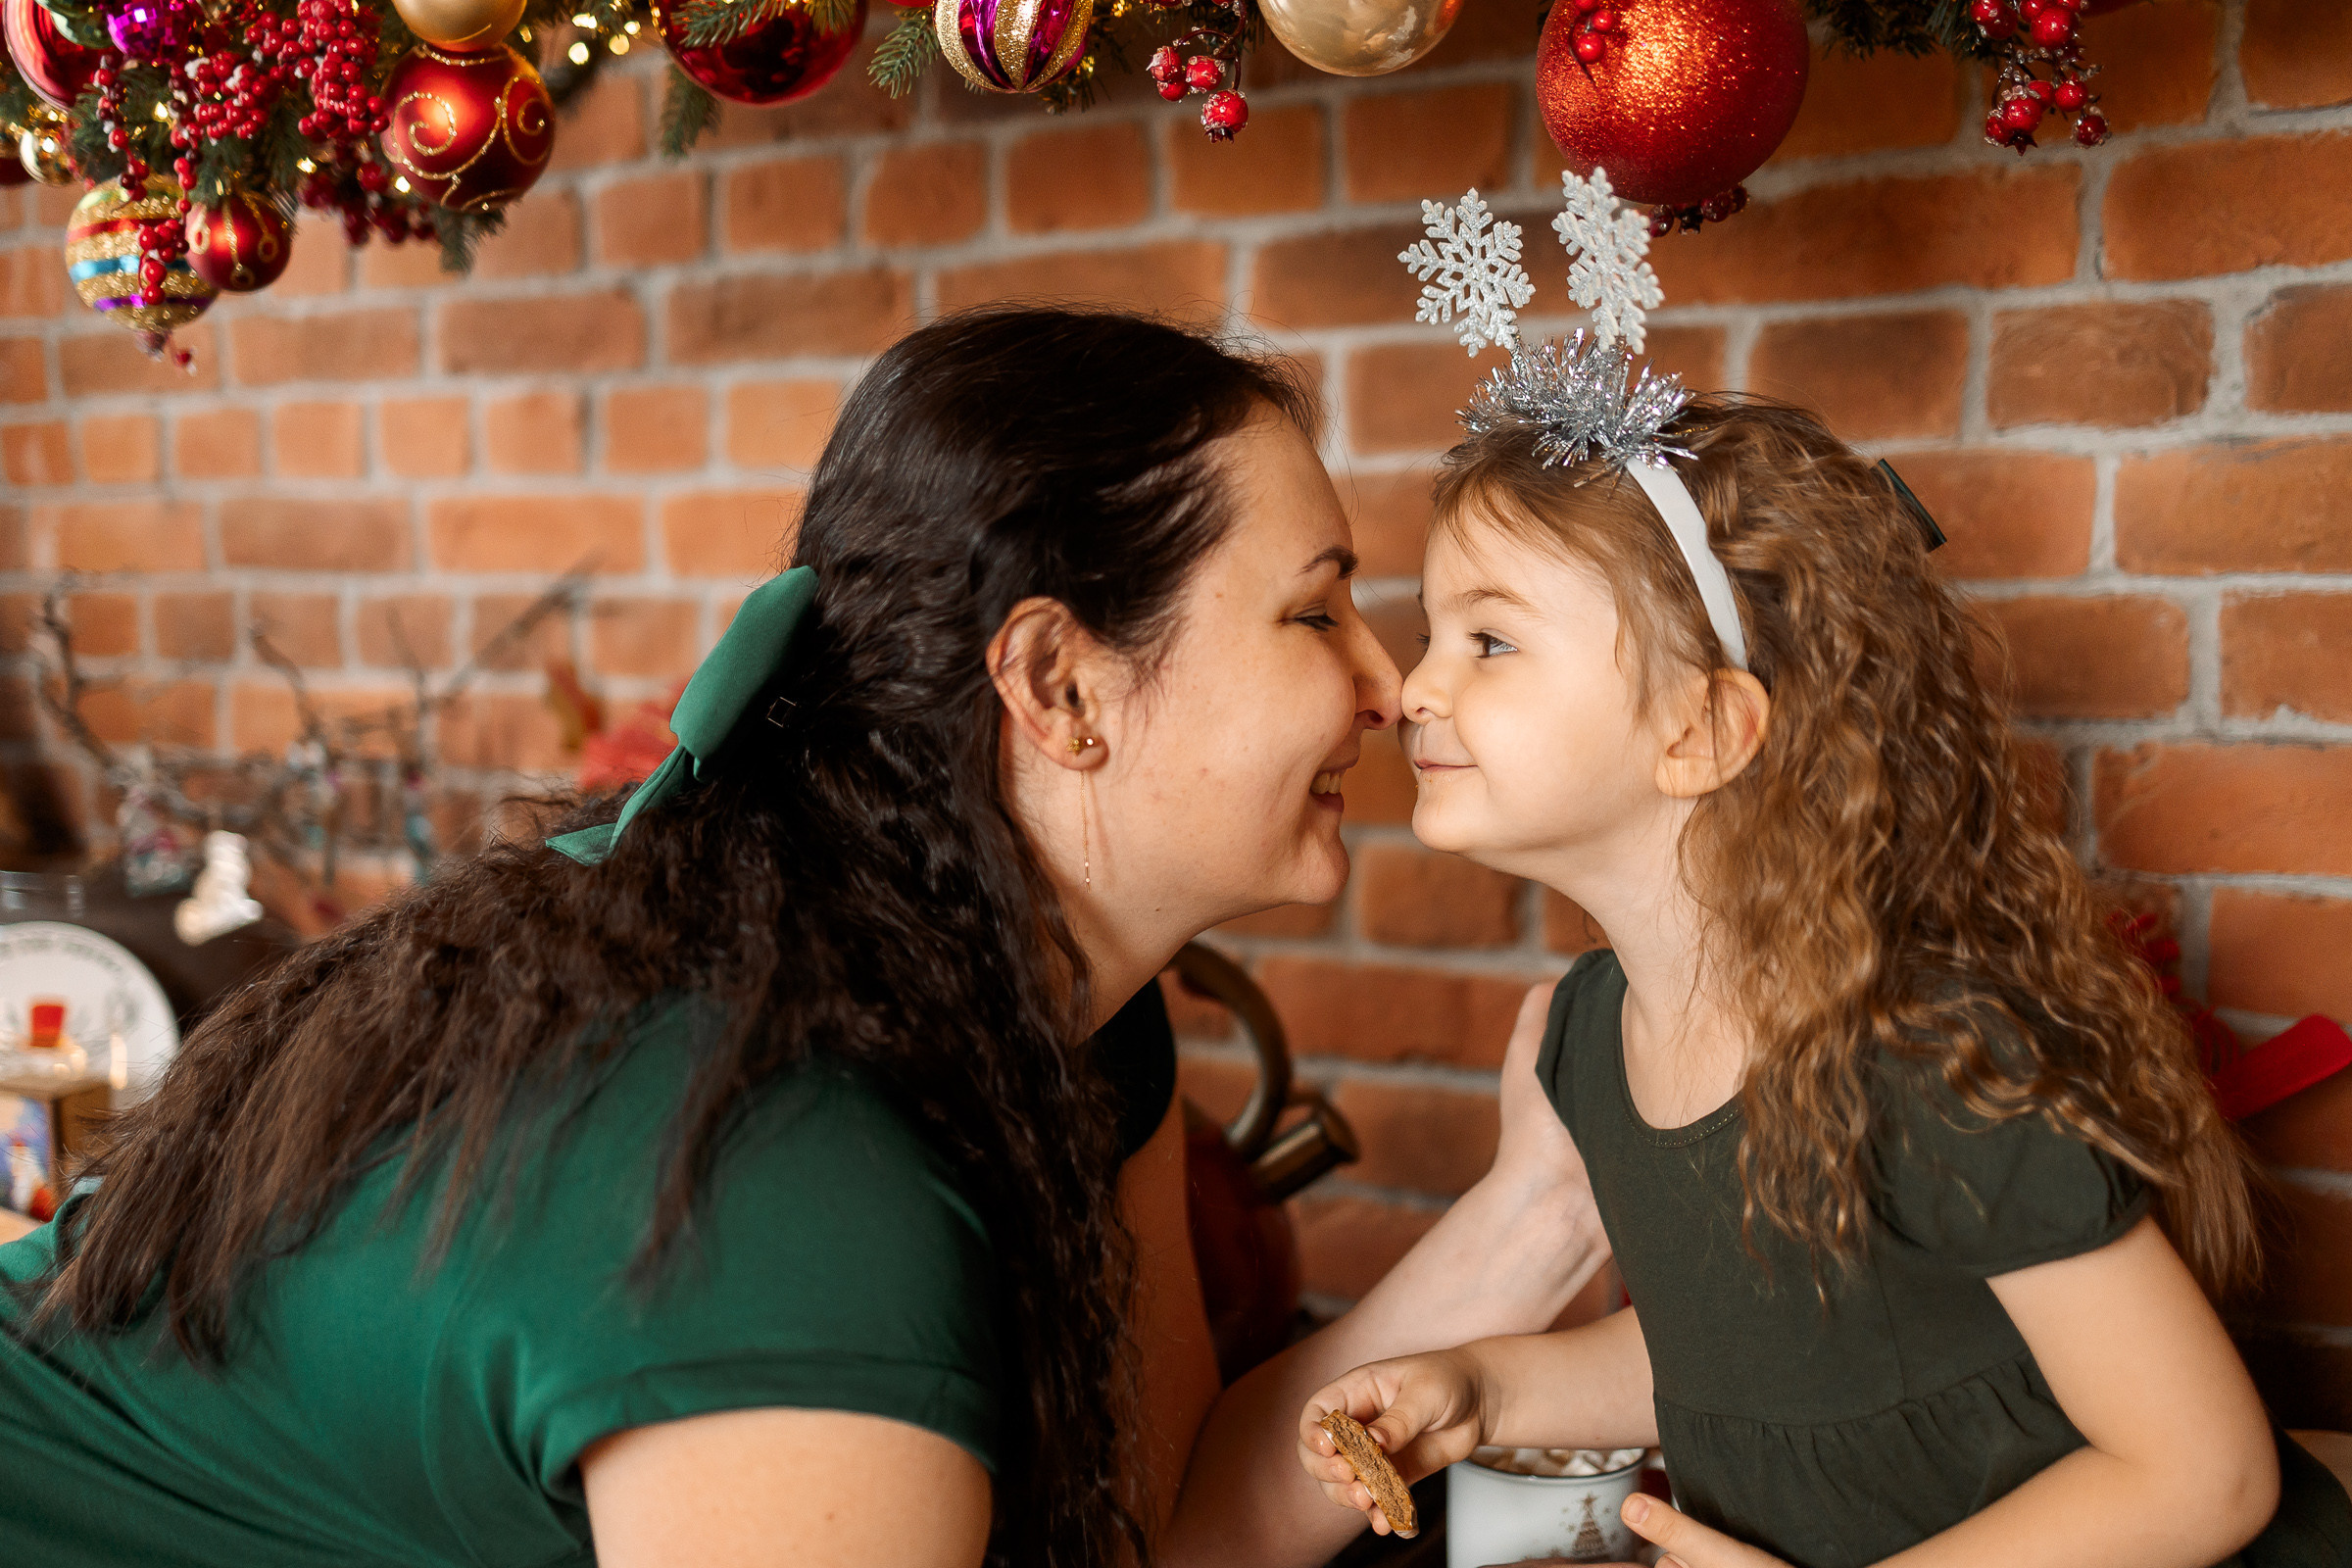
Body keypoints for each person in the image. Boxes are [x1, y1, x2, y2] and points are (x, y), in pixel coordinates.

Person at [0, 308, 1606, 1568]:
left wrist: (1539, 1210)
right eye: (1316, 611)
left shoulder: (1062, 1010)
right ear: (1060, 686)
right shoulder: (788, 1163)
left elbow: (1160, 1529)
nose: (1388, 685)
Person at [1298, 392, 2352, 1567]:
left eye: (1488, 641)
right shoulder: (1590, 1039)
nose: (1416, 687)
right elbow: (1752, 1363)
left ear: (1700, 730)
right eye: (1435, 635)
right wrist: (1485, 1388)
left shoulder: (1929, 1055)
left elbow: (2205, 1474)